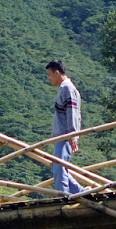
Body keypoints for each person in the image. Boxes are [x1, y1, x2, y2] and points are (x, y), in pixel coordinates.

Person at [44, 61, 84, 196]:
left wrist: (72, 135)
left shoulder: (68, 89)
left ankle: (63, 196)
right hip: (62, 135)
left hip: (64, 135)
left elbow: (72, 112)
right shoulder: (64, 88)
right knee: (58, 168)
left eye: (49, 74)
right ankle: (80, 191)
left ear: (57, 72)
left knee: (59, 168)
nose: (48, 78)